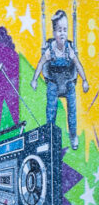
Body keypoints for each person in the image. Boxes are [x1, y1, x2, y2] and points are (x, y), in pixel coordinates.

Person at [31, 9, 89, 150]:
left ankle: (73, 135)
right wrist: (34, 79)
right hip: (54, 82)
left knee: (72, 110)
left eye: (65, 30)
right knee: (51, 109)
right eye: (59, 30)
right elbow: (40, 64)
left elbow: (78, 65)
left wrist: (85, 80)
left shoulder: (69, 50)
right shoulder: (50, 51)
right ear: (54, 33)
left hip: (68, 81)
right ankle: (50, 135)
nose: (62, 34)